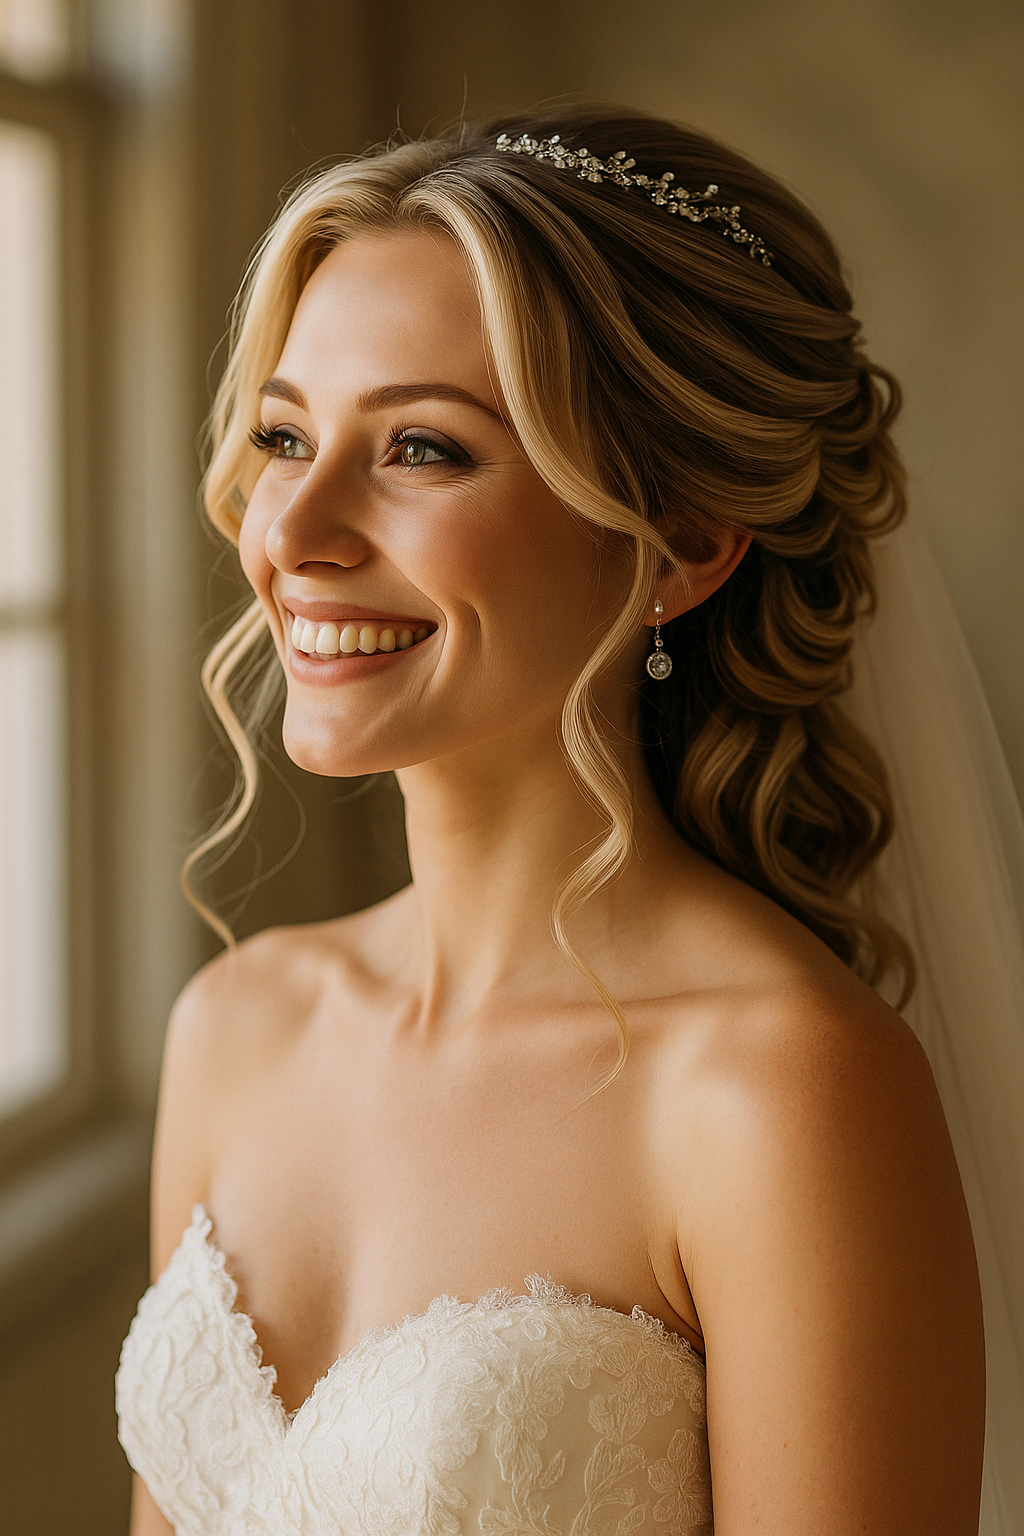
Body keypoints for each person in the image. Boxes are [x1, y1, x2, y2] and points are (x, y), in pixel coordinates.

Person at [115, 106, 998, 1535]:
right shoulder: (236, 1023)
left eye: (423, 450)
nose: (294, 532)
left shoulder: (778, 1087)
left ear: (687, 542)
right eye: (285, 434)